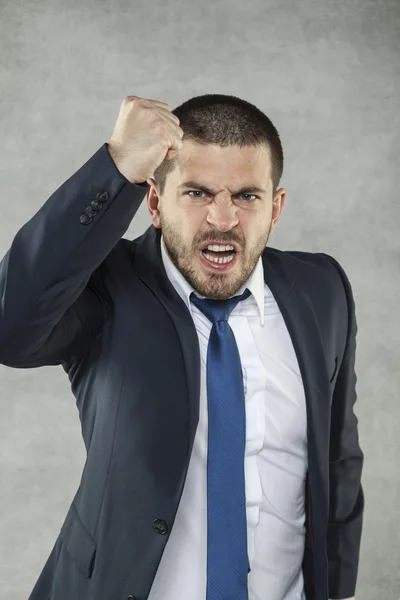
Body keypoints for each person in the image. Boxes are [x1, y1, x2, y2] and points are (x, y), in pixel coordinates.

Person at [0, 94, 364, 600]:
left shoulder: (321, 289)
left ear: (276, 208)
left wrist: (338, 589)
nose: (222, 218)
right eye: (196, 193)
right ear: (153, 202)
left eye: (246, 196)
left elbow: (338, 458)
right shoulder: (106, 287)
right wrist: (116, 165)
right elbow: (9, 328)